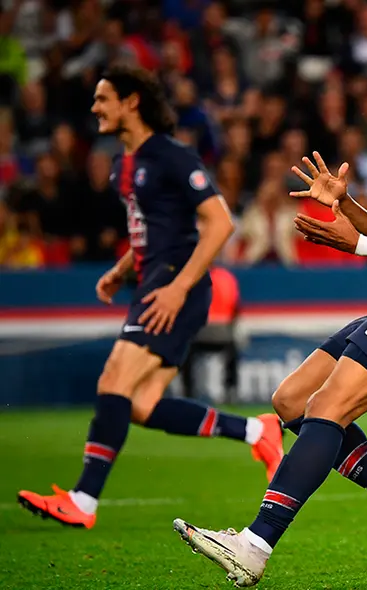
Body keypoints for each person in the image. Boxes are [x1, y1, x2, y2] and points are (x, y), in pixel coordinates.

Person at [172, 50, 367, 587]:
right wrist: (347, 208)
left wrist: (362, 244)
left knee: (327, 405)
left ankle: (255, 545)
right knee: (292, 401)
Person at [16, 64, 284, 529]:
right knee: (139, 405)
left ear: (132, 101)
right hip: (153, 283)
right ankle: (256, 430)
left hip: (172, 288)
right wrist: (121, 270)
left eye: (103, 98)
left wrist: (178, 289)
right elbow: (152, 230)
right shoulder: (125, 163)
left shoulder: (170, 156)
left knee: (113, 381)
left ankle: (84, 499)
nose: (95, 107)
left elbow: (220, 223)